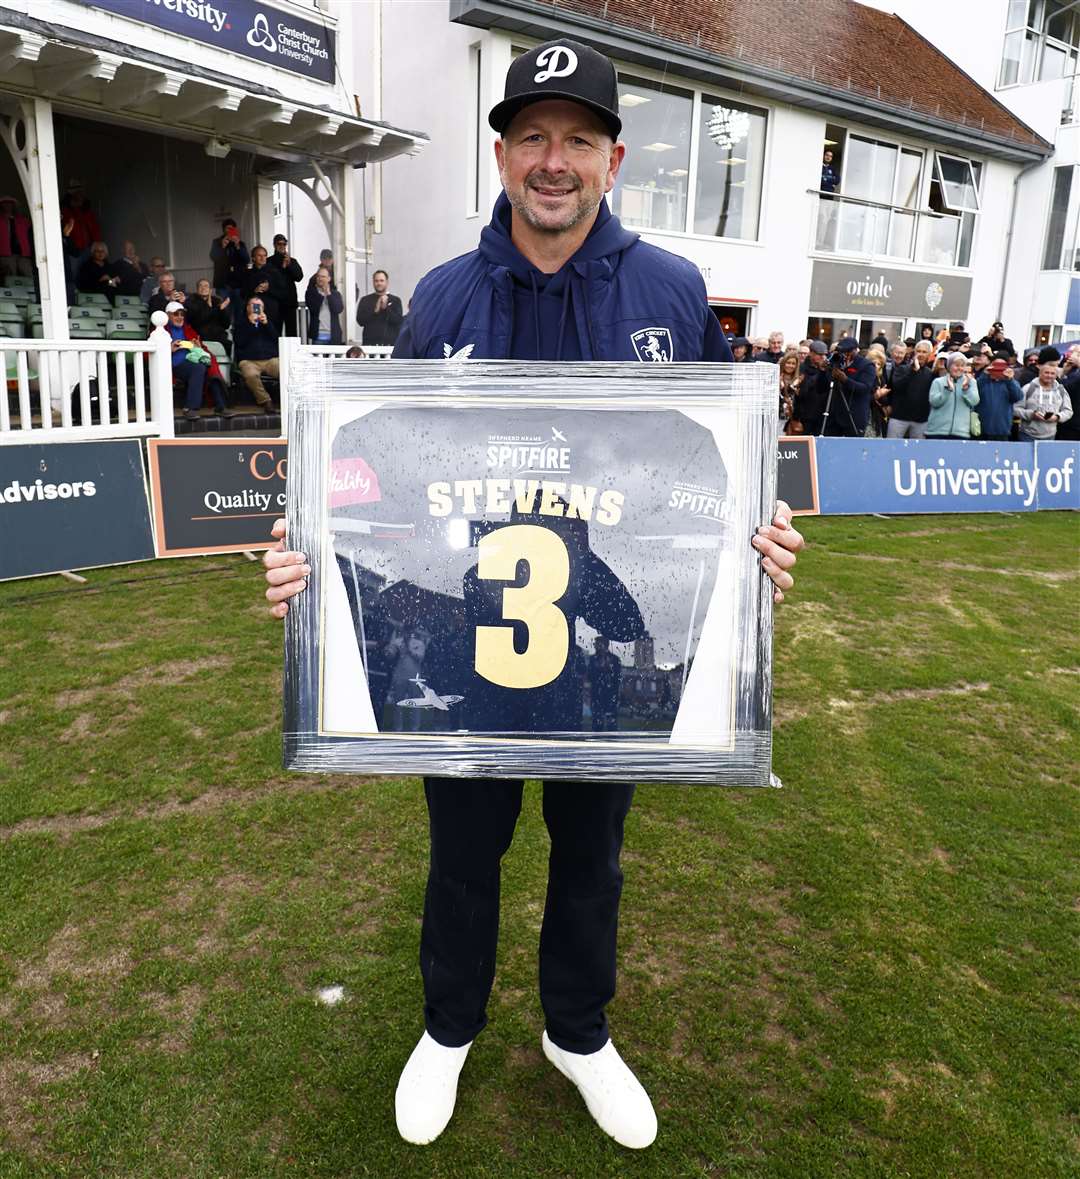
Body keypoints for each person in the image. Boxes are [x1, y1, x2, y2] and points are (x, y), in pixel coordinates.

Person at [263, 38, 803, 1154]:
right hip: (468, 629)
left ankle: (577, 1030)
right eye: (532, 138)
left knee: (591, 851)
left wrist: (766, 539)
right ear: (503, 152)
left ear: (613, 158)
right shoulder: (447, 295)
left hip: (601, 626)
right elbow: (387, 478)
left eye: (579, 140)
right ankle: (449, 1029)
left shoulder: (671, 289)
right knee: (463, 852)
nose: (553, 162)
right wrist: (310, 547)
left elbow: (715, 471)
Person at [162, 301, 234, 421]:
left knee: (210, 369)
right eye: (176, 314)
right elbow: (148, 353)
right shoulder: (161, 330)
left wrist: (198, 347)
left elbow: (203, 348)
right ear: (168, 315)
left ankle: (221, 407)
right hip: (173, 366)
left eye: (182, 314)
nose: (180, 317)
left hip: (193, 361)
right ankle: (191, 408)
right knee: (200, 367)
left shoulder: (188, 329)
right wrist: (169, 349)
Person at [233, 295, 279, 411]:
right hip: (249, 360)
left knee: (286, 371)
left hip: (270, 359)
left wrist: (267, 324)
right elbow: (239, 341)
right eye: (254, 305)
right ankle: (265, 401)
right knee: (250, 375)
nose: (256, 308)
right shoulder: (241, 322)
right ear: (248, 307)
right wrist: (250, 324)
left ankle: (288, 399)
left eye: (259, 306)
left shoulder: (268, 321)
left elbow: (276, 339)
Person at [823, 337, 876, 436]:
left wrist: (846, 380)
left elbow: (865, 388)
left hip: (855, 415)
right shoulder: (836, 362)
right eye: (842, 352)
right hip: (835, 414)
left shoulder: (866, 365)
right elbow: (823, 386)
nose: (845, 354)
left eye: (848, 352)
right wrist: (823, 370)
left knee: (852, 447)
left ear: (856, 350)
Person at [883, 339, 935, 438]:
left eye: (924, 352)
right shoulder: (902, 369)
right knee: (891, 449)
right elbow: (896, 386)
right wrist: (913, 371)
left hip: (920, 420)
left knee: (917, 452)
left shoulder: (930, 373)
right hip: (899, 418)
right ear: (914, 353)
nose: (921, 354)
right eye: (918, 351)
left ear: (929, 354)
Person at [1015, 357, 1074, 441]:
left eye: (1052, 373)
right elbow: (1015, 409)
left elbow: (1068, 411)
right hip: (1027, 435)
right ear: (1040, 373)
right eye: (1046, 373)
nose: (1049, 376)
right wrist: (1031, 415)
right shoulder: (1028, 388)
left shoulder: (1060, 390)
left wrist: (1057, 417)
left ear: (1055, 375)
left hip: (1050, 436)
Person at [926, 352, 979, 439]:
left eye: (962, 366)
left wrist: (965, 390)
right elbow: (934, 402)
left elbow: (974, 401)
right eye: (956, 365)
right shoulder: (938, 382)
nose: (959, 368)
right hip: (937, 431)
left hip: (961, 432)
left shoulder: (971, 382)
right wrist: (947, 391)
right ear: (949, 366)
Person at [210, 219, 249, 322]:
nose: (230, 230)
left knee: (239, 311)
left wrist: (237, 245)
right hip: (223, 284)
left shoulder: (240, 243)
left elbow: (246, 259)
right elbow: (214, 257)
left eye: (232, 228)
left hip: (238, 285)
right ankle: (225, 334)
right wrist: (222, 247)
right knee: (224, 311)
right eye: (228, 228)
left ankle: (238, 335)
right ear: (223, 230)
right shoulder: (217, 242)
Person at [975, 358, 1023, 441]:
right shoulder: (983, 382)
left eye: (1001, 369)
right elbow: (975, 391)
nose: (998, 371)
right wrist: (985, 375)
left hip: (1002, 431)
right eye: (996, 368)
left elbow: (1018, 397)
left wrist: (1010, 380)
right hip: (981, 430)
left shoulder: (1011, 383)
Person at [242, 246, 287, 332]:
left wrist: (269, 289)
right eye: (259, 255)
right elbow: (243, 294)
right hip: (254, 311)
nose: (262, 258)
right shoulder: (248, 274)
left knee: (273, 339)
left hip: (272, 312)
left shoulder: (275, 272)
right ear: (253, 258)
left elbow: (283, 293)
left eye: (265, 255)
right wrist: (254, 291)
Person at [355, 269, 404, 347]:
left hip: (389, 346)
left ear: (387, 282)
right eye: (376, 281)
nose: (379, 283)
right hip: (370, 345)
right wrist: (375, 310)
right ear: (373, 282)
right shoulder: (365, 300)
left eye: (381, 281)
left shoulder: (395, 300)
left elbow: (398, 321)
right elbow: (360, 321)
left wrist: (386, 308)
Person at [270, 233, 304, 336]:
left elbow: (299, 277)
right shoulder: (269, 261)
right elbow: (272, 280)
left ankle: (292, 352)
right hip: (276, 304)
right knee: (275, 333)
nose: (282, 246)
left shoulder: (292, 261)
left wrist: (290, 265)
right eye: (279, 244)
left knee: (292, 333)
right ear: (274, 245)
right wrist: (283, 267)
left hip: (290, 303)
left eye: (284, 244)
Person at [796, 341, 831, 436]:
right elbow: (804, 389)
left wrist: (824, 370)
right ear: (811, 353)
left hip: (823, 412)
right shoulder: (802, 367)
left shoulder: (828, 368)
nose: (823, 357)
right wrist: (820, 371)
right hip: (806, 413)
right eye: (819, 355)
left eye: (824, 355)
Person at [588, 636, 622, 731]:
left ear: (605, 645)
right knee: (597, 722)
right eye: (595, 644)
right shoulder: (593, 659)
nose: (596, 646)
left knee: (611, 723)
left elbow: (617, 678)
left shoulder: (614, 659)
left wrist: (608, 669)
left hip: (610, 695)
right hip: (596, 695)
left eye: (598, 644)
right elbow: (589, 676)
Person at [186, 279, 232, 347]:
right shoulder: (191, 302)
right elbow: (199, 320)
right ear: (197, 289)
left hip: (219, 337)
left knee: (228, 344)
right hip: (201, 336)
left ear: (210, 290)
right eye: (200, 286)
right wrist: (210, 307)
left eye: (206, 286)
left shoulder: (217, 301)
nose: (203, 288)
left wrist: (222, 310)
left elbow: (226, 324)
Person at [60, 179, 101, 254]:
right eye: (77, 192)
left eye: (81, 192)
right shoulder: (65, 211)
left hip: (89, 249)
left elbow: (95, 229)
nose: (81, 195)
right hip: (73, 251)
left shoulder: (87, 211)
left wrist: (97, 246)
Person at [306, 266, 345, 344]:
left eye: (323, 276)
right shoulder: (311, 293)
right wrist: (322, 294)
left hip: (333, 337)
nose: (320, 279)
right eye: (318, 276)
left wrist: (328, 294)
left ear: (329, 279)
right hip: (318, 336)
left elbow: (338, 309)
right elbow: (313, 308)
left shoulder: (335, 294)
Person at [0, 194, 33, 279]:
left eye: (10, 203)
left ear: (13, 205)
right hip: (6, 254)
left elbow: (33, 228)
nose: (7, 205)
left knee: (29, 273)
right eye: (5, 203)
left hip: (23, 254)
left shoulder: (23, 220)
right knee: (11, 277)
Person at [777, 349, 803, 434]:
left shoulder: (799, 380)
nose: (790, 366)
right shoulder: (776, 377)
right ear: (784, 363)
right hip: (777, 416)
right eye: (788, 363)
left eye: (793, 363)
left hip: (792, 418)